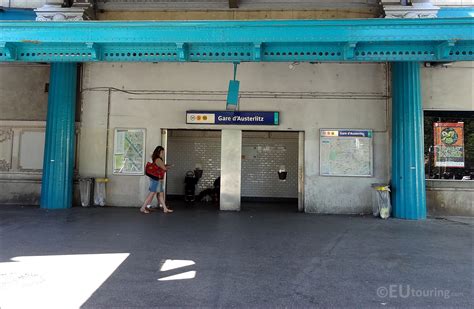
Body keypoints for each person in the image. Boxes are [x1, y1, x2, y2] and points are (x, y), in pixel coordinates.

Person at [140, 146, 173, 214]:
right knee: (151, 194)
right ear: (159, 152)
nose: (163, 153)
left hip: (157, 179)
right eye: (162, 152)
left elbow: (160, 167)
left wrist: (165, 166)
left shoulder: (155, 158)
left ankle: (165, 209)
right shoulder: (158, 159)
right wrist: (168, 167)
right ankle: (143, 208)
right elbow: (164, 168)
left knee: (160, 194)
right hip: (156, 180)